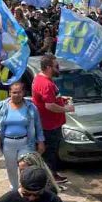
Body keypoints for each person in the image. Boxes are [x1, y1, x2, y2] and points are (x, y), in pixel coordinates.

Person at [31, 54, 75, 184]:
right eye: (56, 66)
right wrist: (67, 109)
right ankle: (51, 179)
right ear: (48, 67)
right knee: (50, 153)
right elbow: (49, 105)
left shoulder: (41, 79)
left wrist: (61, 99)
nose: (58, 68)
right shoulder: (46, 83)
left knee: (50, 153)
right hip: (50, 125)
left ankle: (51, 175)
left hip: (49, 124)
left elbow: (50, 99)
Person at [0, 82, 45, 189]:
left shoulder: (31, 107)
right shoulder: (2, 106)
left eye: (19, 92)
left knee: (24, 165)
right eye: (14, 92)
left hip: (25, 142)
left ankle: (25, 187)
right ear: (9, 92)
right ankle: (14, 188)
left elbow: (38, 125)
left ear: (23, 93)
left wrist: (40, 141)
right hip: (8, 143)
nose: (16, 95)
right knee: (11, 168)